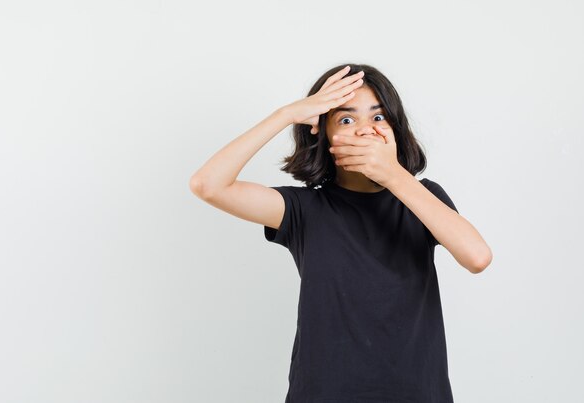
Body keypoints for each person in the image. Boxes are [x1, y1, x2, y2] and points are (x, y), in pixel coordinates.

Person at [189, 63, 492, 402]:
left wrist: (392, 174)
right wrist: (286, 114)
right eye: (347, 120)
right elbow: (208, 185)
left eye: (378, 118)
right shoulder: (303, 210)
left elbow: (477, 257)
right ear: (324, 135)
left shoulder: (424, 197)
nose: (366, 130)